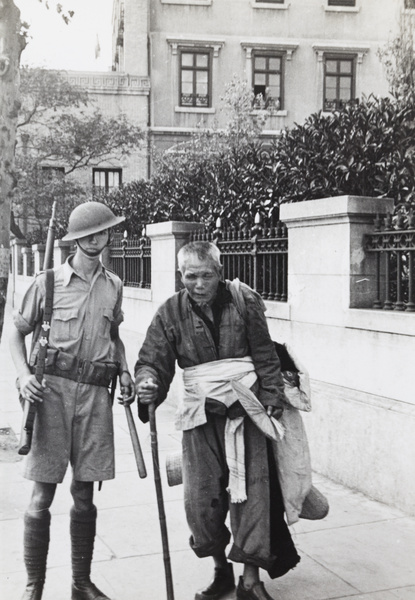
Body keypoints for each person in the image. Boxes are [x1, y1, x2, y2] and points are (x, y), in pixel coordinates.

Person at [135, 241, 301, 600]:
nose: (198, 283)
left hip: (247, 411)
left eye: (206, 275)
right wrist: (147, 382)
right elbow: (152, 361)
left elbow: (265, 353)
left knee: (253, 497)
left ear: (219, 272)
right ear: (180, 276)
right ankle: (221, 572)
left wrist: (271, 396)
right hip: (200, 416)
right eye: (190, 276)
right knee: (201, 502)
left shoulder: (244, 302)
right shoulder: (170, 313)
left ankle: (250, 581)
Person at [9, 201, 135, 600]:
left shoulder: (114, 285)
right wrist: (24, 375)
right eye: (90, 234)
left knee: (84, 492)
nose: (99, 239)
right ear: (76, 239)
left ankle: (81, 584)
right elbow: (13, 333)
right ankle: (35, 587)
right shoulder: (47, 282)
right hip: (52, 396)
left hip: (96, 396)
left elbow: (113, 336)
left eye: (104, 232)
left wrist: (126, 370)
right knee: (42, 494)